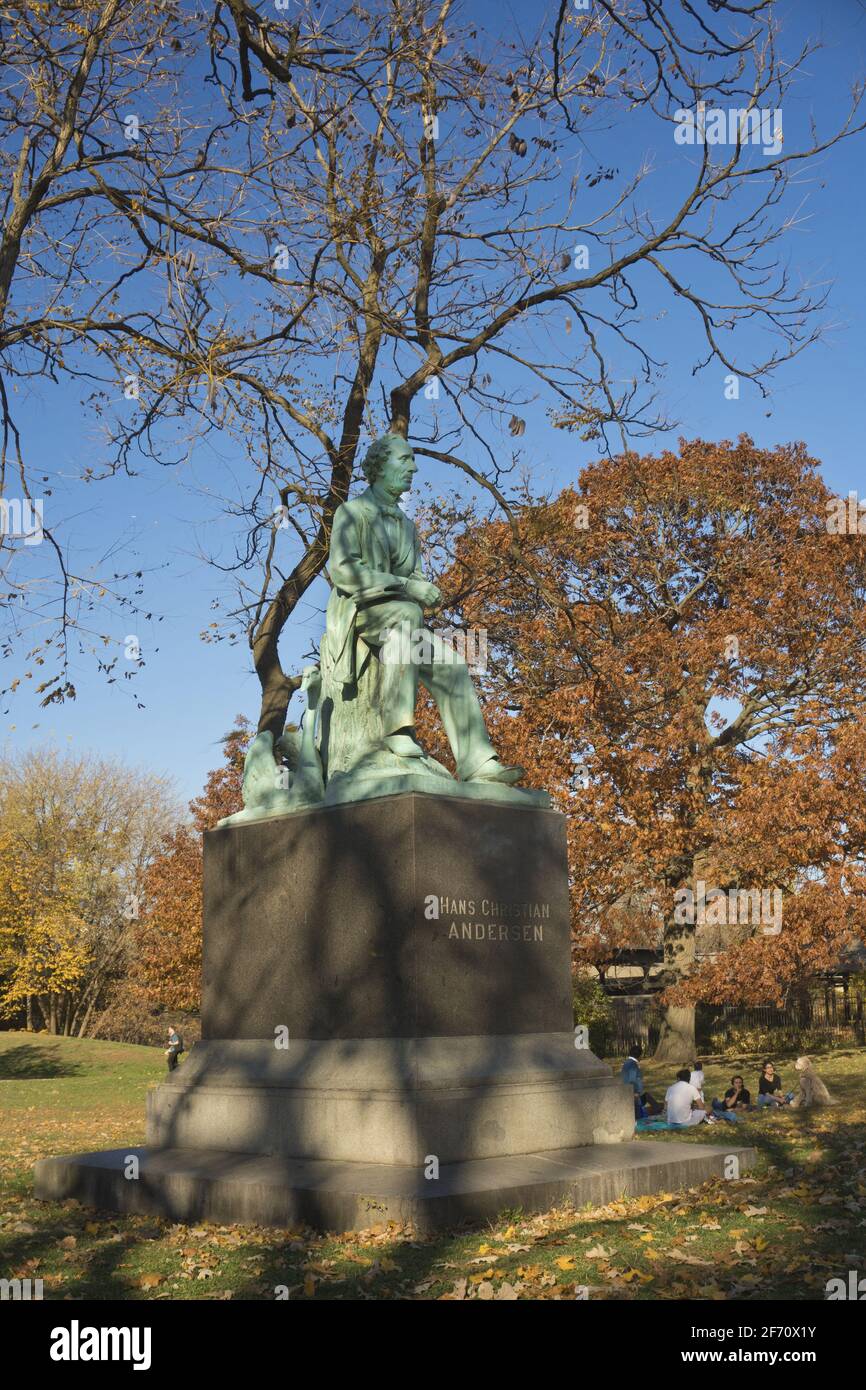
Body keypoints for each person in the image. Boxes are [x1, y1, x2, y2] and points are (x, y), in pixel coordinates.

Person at [323, 433, 524, 784]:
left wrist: (424, 589)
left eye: (412, 461)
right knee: (407, 614)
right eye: (405, 460)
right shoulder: (351, 512)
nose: (413, 468)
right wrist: (406, 587)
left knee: (453, 666)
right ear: (380, 466)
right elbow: (342, 571)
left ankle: (477, 763)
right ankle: (397, 729)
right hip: (360, 612)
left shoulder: (407, 525)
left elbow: (412, 576)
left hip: (402, 622)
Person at [620, 1042, 662, 1120]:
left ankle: (658, 1108)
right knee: (639, 1116)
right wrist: (635, 1092)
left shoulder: (627, 1063)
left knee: (646, 1096)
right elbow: (632, 1080)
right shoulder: (632, 1064)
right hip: (633, 1095)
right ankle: (658, 1109)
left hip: (628, 1094)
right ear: (639, 1055)